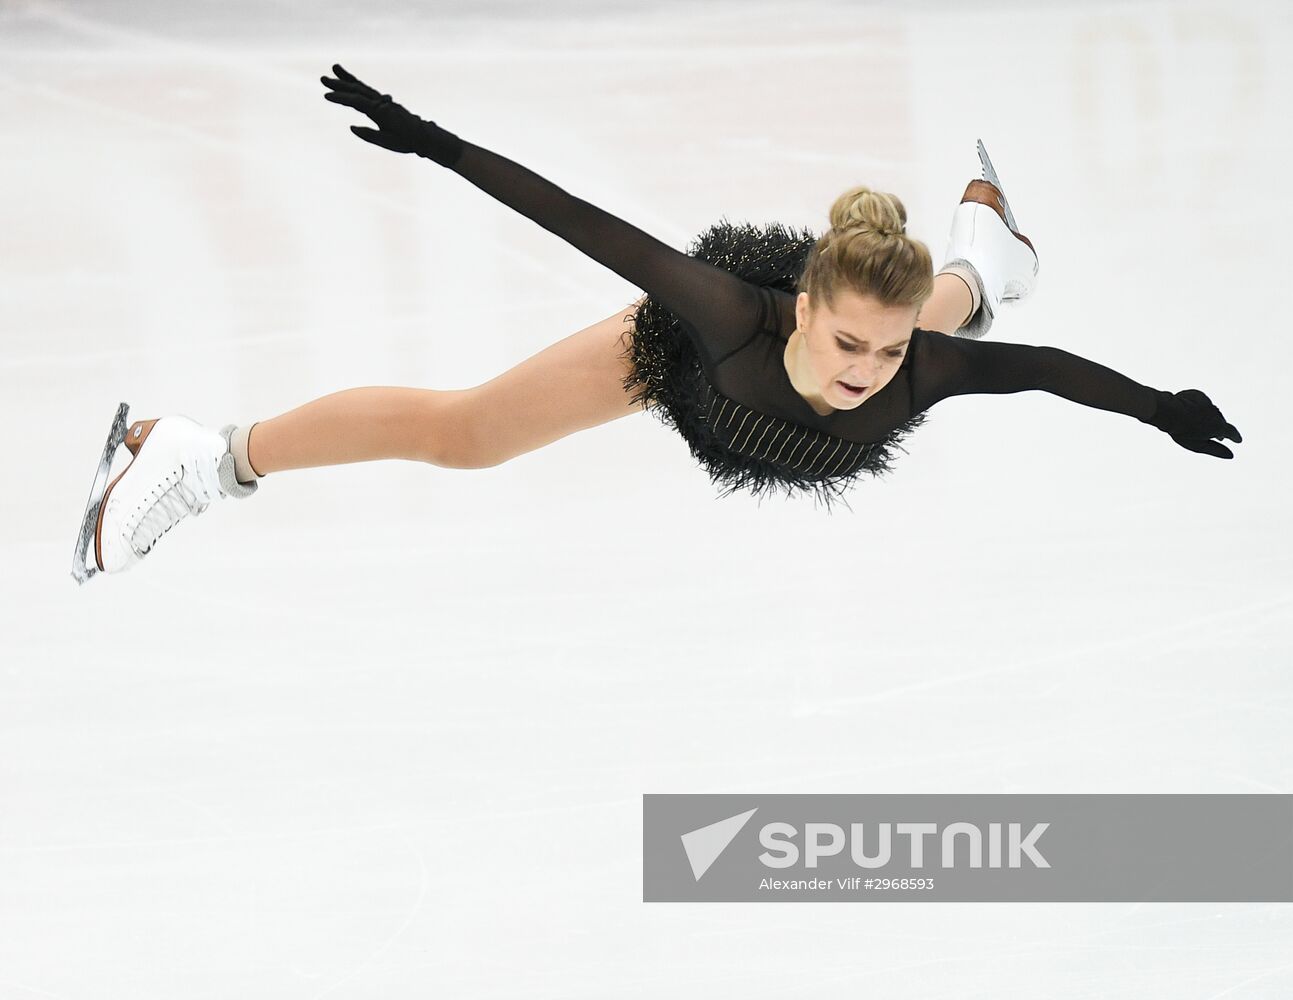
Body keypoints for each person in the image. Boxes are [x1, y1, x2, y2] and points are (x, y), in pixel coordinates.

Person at [69, 64, 1241, 584]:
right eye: (845, 346)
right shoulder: (724, 314)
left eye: (880, 360)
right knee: (468, 433)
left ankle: (985, 256)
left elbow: (1042, 371)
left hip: (857, 325)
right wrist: (435, 144)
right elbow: (580, 219)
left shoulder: (902, 365)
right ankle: (205, 456)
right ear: (801, 309)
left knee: (946, 320)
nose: (867, 376)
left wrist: (1159, 409)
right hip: (690, 371)